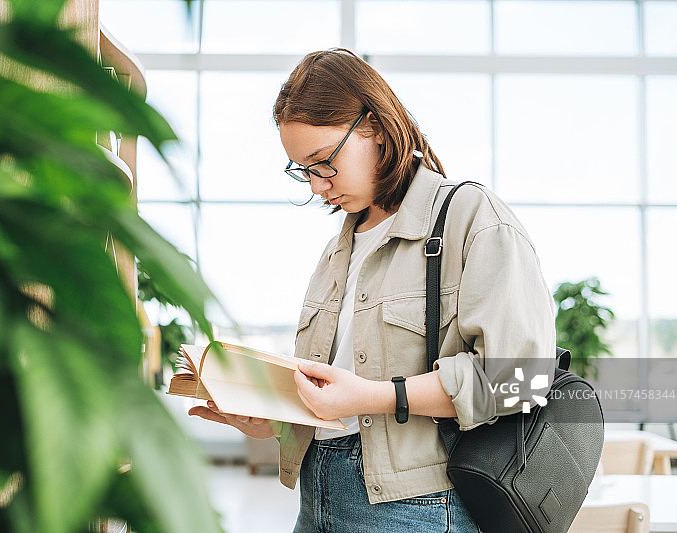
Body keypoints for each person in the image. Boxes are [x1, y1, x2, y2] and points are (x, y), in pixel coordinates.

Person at [189, 48, 556, 533]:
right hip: (317, 493)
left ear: (376, 129)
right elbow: (339, 390)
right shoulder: (338, 247)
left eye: (323, 163)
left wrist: (377, 397)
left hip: (416, 507)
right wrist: (276, 419)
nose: (318, 187)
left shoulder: (472, 218)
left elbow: (522, 381)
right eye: (303, 170)